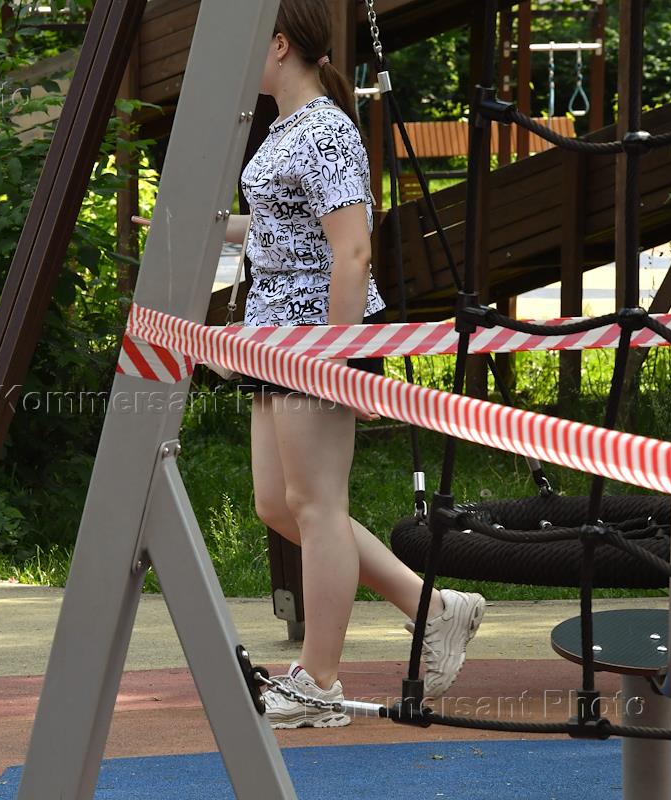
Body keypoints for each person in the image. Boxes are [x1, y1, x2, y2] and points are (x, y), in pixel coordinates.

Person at [227, 0, 486, 729]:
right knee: (280, 506)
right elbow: (288, 229)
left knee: (316, 507)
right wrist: (214, 229)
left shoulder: (327, 130)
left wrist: (336, 357)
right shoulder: (285, 127)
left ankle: (319, 683)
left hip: (316, 337)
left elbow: (352, 251)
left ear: (281, 45)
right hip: (275, 336)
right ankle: (434, 607)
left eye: (251, 42)